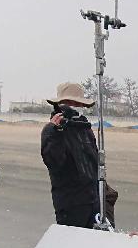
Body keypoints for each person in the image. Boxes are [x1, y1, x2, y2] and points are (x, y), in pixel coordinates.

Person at [41, 82, 115, 228]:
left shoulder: (85, 128)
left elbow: (94, 163)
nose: (73, 106)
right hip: (71, 205)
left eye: (77, 103)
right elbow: (54, 162)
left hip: (94, 200)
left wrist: (104, 195)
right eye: (68, 102)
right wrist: (57, 132)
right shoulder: (51, 130)